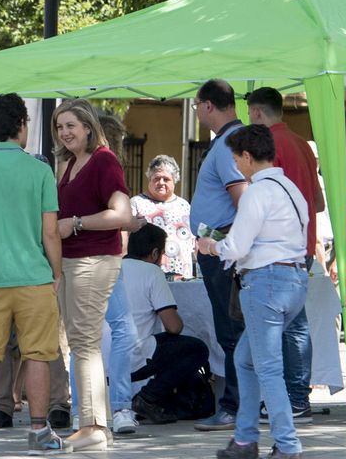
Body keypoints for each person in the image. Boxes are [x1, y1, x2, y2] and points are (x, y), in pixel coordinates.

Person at [0, 94, 65, 458]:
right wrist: (57, 272)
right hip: (34, 277)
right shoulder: (40, 171)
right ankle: (39, 430)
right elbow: (49, 231)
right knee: (38, 355)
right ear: (22, 125)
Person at [208, 125, 309, 459]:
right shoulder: (291, 189)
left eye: (237, 159)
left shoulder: (256, 192)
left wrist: (211, 246)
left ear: (248, 157)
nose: (237, 166)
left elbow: (237, 246)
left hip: (265, 281)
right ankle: (245, 439)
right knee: (246, 359)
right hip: (295, 279)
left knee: (266, 367)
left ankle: (287, 444)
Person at [51, 98, 130, 449]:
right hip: (72, 261)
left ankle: (94, 426)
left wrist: (77, 224)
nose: (65, 132)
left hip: (93, 260)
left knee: (84, 343)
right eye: (59, 126)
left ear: (87, 127)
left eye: (71, 125)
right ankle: (95, 424)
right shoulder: (70, 164)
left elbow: (122, 215)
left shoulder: (103, 160)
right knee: (80, 342)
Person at [245, 87, 323, 425]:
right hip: (303, 244)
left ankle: (290, 398)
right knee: (296, 324)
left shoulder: (269, 147)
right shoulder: (303, 144)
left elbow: (264, 202)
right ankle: (297, 396)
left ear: (258, 113)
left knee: (284, 327)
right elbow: (318, 203)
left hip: (277, 249)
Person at [189, 79, 247, 431]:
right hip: (222, 248)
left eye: (196, 105)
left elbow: (242, 196)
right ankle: (238, 405)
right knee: (234, 331)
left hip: (223, 252)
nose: (195, 111)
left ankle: (234, 407)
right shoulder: (230, 140)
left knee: (231, 331)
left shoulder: (227, 144)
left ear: (208, 105)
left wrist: (230, 244)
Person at [126, 224, 212, 424]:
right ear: (155, 252)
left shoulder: (112, 268)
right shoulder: (151, 272)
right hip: (134, 357)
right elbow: (174, 326)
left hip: (104, 356)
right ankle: (149, 397)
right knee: (196, 349)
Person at [95, 112, 140, 436]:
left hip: (82, 258)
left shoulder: (70, 166)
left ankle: (87, 411)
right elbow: (116, 216)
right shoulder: (107, 164)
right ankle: (121, 405)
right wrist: (128, 222)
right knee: (123, 331)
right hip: (104, 257)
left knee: (85, 340)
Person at [131, 155, 195, 279]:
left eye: (166, 179)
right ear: (149, 179)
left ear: (174, 180)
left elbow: (194, 241)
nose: (161, 183)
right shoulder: (136, 204)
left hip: (182, 275)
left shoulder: (184, 206)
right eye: (157, 178)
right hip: (146, 276)